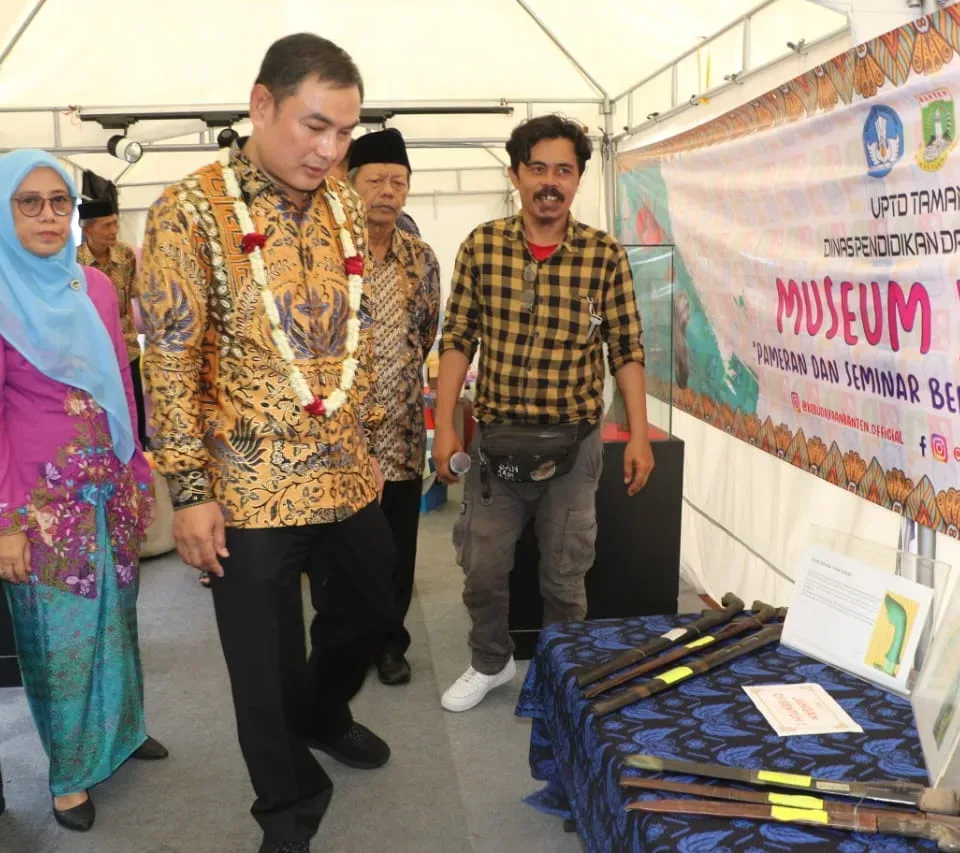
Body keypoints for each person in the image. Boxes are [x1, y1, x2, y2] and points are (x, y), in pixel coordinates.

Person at [136, 33, 398, 853]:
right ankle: (287, 808)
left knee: (372, 606)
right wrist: (189, 491)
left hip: (347, 470)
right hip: (245, 488)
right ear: (261, 105)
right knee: (262, 669)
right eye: (315, 126)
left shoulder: (347, 203)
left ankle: (324, 712)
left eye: (346, 131)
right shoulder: (187, 209)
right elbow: (169, 360)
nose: (331, 149)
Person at [0, 150, 168, 833]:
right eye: (30, 203)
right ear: (2, 212)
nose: (49, 216)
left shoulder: (94, 288)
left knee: (119, 620)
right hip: (42, 510)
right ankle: (69, 774)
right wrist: (3, 523)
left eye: (59, 202)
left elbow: (120, 386)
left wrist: (137, 474)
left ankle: (125, 730)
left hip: (109, 488)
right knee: (59, 642)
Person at [432, 114, 655, 713]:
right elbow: (457, 337)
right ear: (516, 174)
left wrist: (637, 435)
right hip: (496, 446)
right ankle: (490, 661)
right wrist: (448, 423)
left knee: (565, 573)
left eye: (564, 170)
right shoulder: (482, 246)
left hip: (573, 446)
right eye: (538, 169)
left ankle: (562, 673)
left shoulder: (603, 255)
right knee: (481, 567)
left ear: (579, 179)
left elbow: (626, 348)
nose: (550, 182)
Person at [348, 128, 441, 686]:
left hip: (404, 428)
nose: (387, 191)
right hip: (342, 436)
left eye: (398, 181)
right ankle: (350, 640)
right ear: (347, 183)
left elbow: (424, 333)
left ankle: (390, 643)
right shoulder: (325, 255)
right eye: (375, 179)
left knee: (398, 546)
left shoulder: (421, 258)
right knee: (346, 549)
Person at [77, 199, 146, 446]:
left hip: (126, 348)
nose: (113, 230)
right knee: (99, 411)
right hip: (90, 352)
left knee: (133, 408)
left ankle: (137, 456)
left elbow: (130, 296)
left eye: (115, 224)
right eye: (106, 225)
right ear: (87, 230)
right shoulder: (73, 262)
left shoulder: (126, 254)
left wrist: (131, 335)